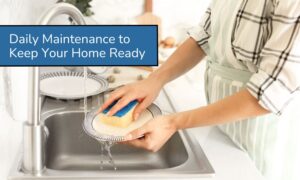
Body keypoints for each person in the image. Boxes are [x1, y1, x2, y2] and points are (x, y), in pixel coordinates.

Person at [99, 0, 300, 179]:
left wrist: (172, 123)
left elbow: (270, 92)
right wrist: (154, 81)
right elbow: (203, 37)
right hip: (221, 126)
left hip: (264, 138)